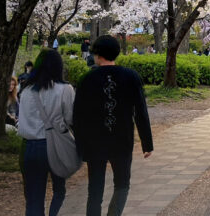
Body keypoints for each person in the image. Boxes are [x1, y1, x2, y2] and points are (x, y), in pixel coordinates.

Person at [73, 35, 153, 216]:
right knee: (122, 183)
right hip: (122, 139)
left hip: (94, 142)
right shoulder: (131, 76)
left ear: (98, 54)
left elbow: (78, 116)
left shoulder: (87, 79)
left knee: (95, 189)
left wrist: (80, 145)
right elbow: (141, 111)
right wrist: (147, 143)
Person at [17, 49, 74, 216]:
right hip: (56, 146)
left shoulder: (26, 90)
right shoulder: (65, 89)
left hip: (29, 147)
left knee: (33, 198)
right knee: (59, 190)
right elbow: (71, 119)